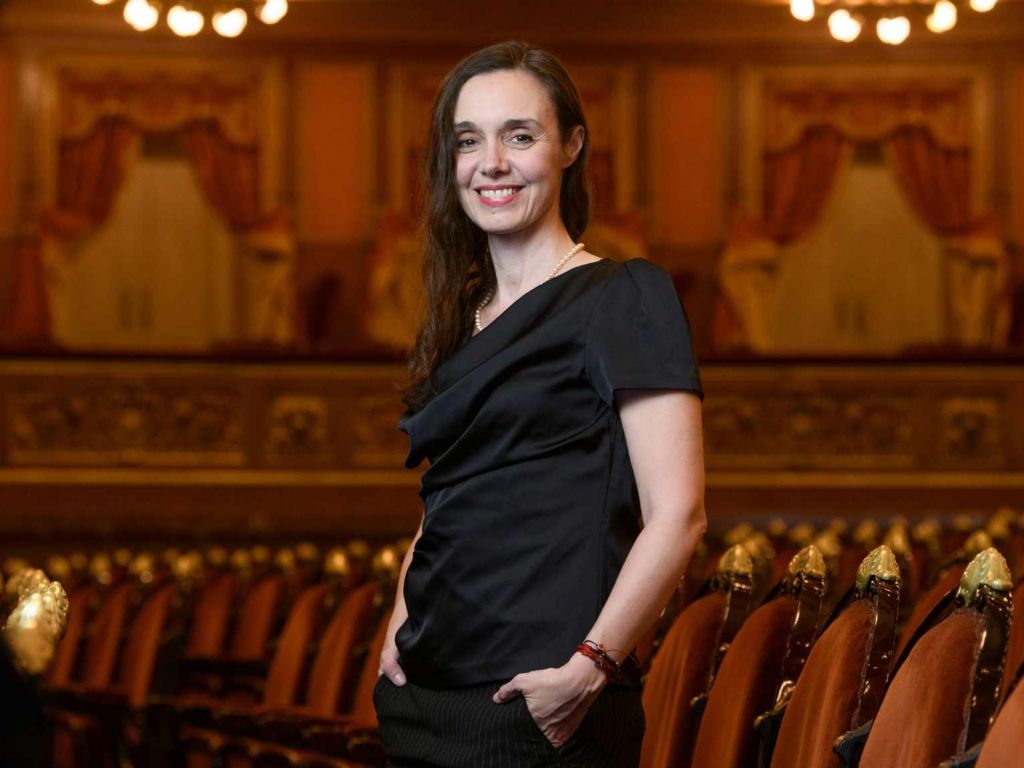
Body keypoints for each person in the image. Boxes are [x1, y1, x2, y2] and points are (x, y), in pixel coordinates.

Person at [374, 40, 706, 768]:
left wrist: (590, 669)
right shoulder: (459, 316)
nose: (490, 162)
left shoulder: (624, 296)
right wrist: (397, 632)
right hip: (422, 696)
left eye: (519, 136)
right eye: (469, 141)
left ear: (571, 146)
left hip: (544, 699)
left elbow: (679, 514)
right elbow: (445, 499)